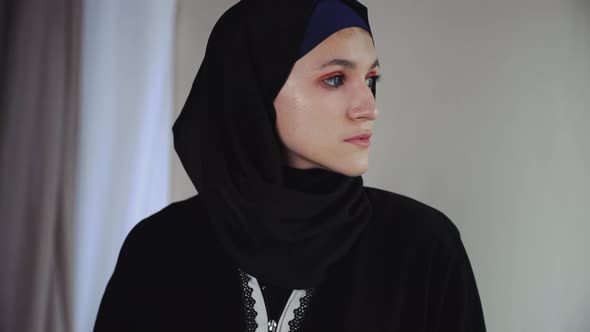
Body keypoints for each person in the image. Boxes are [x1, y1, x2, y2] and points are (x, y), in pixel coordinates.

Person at [94, 0, 487, 331]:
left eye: (370, 79)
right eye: (335, 79)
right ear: (254, 88)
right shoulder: (160, 249)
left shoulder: (423, 248)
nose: (369, 107)